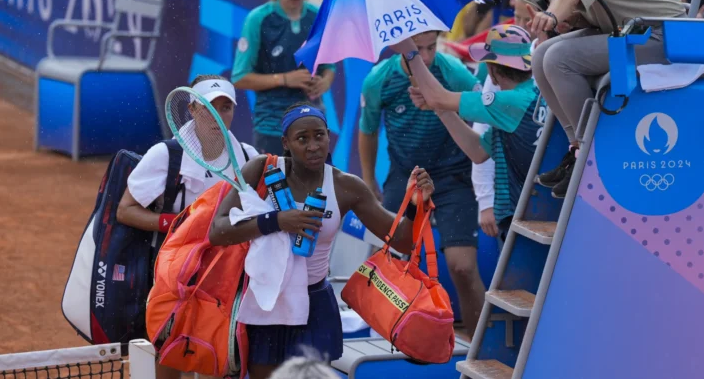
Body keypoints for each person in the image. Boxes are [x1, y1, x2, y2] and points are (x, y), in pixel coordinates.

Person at [208, 103, 436, 379]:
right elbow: (218, 231)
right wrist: (277, 221)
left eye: (319, 136)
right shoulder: (261, 169)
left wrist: (414, 205)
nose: (313, 145)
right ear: (286, 143)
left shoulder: (345, 185)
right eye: (302, 138)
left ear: (328, 136)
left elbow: (401, 241)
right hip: (267, 300)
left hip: (315, 303)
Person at [497, 0, 687, 198]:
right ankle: (578, 150)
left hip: (664, 39)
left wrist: (551, 15)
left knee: (559, 58)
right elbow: (583, 10)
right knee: (543, 54)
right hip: (630, 34)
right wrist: (564, 23)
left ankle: (591, 155)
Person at [117, 74, 257, 379]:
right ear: (192, 109)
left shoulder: (248, 157)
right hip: (175, 277)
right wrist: (179, 225)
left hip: (227, 280)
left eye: (226, 107)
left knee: (216, 360)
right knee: (170, 356)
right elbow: (125, 210)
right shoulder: (165, 155)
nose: (219, 115)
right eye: (209, 107)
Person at [358, 30, 485, 337]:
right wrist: (368, 179)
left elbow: (485, 113)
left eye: (431, 48)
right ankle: (380, 336)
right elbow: (368, 130)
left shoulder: (453, 71)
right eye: (417, 50)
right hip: (406, 175)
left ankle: (479, 346)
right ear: (399, 48)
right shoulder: (379, 79)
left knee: (463, 267)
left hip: (453, 175)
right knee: (384, 258)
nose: (425, 58)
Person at [393, 25, 541, 244]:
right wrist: (440, 110)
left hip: (524, 215)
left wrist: (411, 52)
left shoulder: (510, 102)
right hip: (530, 212)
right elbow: (479, 151)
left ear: (492, 69)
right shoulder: (531, 95)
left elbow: (437, 96)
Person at [232, 0, 336, 155]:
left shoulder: (318, 17)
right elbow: (240, 77)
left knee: (315, 187)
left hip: (313, 126)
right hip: (273, 127)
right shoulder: (258, 19)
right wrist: (285, 79)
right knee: (275, 187)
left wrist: (325, 82)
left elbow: (329, 66)